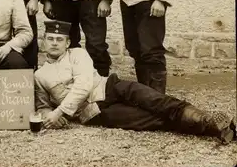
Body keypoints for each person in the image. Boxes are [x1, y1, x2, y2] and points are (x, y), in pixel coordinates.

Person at [34, 20, 236, 145]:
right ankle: (215, 127)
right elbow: (42, 105)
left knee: (158, 101)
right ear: (43, 41)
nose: (54, 43)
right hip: (93, 110)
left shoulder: (77, 53)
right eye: (50, 39)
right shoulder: (39, 75)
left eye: (59, 40)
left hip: (110, 86)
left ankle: (211, 119)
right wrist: (49, 117)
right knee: (152, 120)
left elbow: (84, 84)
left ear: (67, 43)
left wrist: (59, 111)